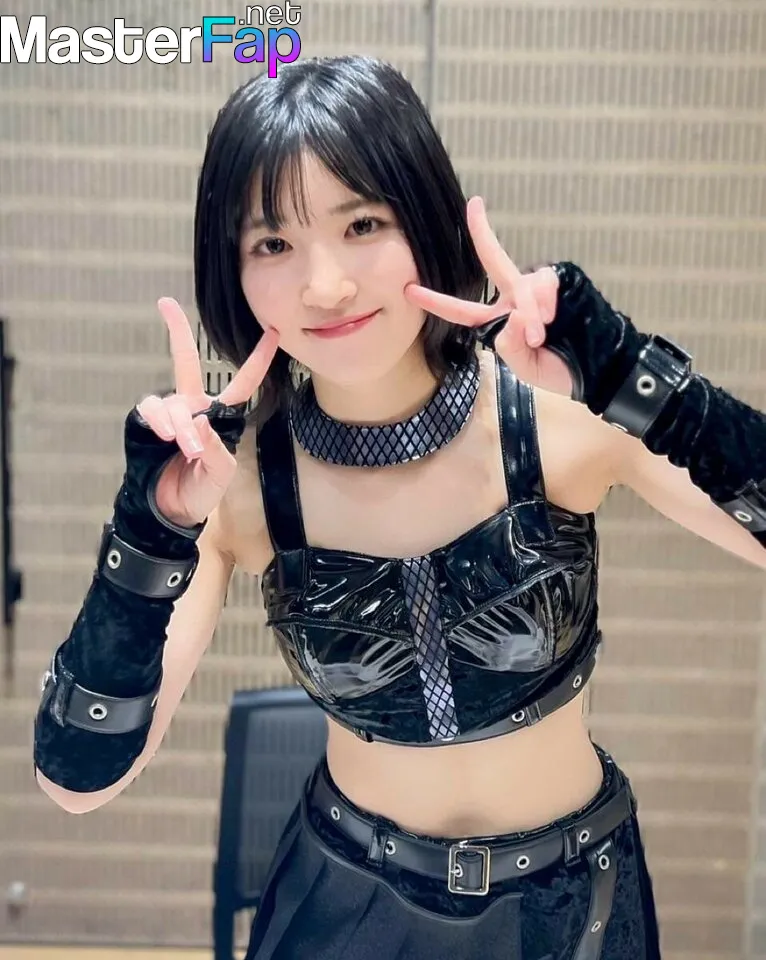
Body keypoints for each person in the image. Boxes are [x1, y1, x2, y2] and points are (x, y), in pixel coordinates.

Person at [33, 56, 765, 960]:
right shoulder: (238, 488)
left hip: (573, 909)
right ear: (234, 273)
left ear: (424, 218)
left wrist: (630, 378)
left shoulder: (560, 421)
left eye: (363, 224)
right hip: (343, 906)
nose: (326, 285)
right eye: (273, 244)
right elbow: (78, 780)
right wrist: (150, 529)